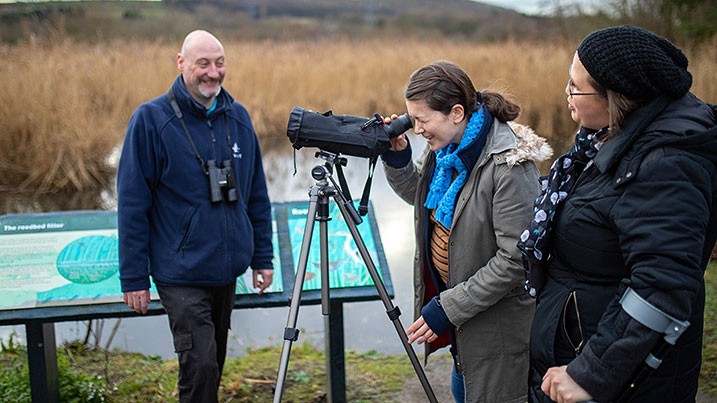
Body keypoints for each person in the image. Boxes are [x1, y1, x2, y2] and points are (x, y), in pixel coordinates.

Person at [519, 25, 717, 403]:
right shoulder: (603, 144)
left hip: (618, 380)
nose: (566, 93)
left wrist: (591, 373)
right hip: (581, 347)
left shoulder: (666, 164)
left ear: (616, 97)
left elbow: (662, 286)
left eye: (575, 87)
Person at [381, 61, 553, 403]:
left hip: (497, 333)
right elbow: (425, 200)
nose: (416, 129)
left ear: (456, 112)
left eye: (422, 119)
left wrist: (448, 307)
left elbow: (517, 259)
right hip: (466, 328)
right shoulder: (447, 152)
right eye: (412, 119)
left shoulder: (508, 166)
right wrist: (399, 158)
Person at [117, 30, 274, 403]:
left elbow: (256, 193)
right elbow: (132, 203)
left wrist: (262, 257)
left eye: (219, 63)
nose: (213, 73)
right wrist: (133, 276)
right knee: (200, 364)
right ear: (181, 63)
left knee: (212, 363)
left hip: (225, 269)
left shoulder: (237, 117)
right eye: (203, 63)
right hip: (180, 270)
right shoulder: (151, 120)